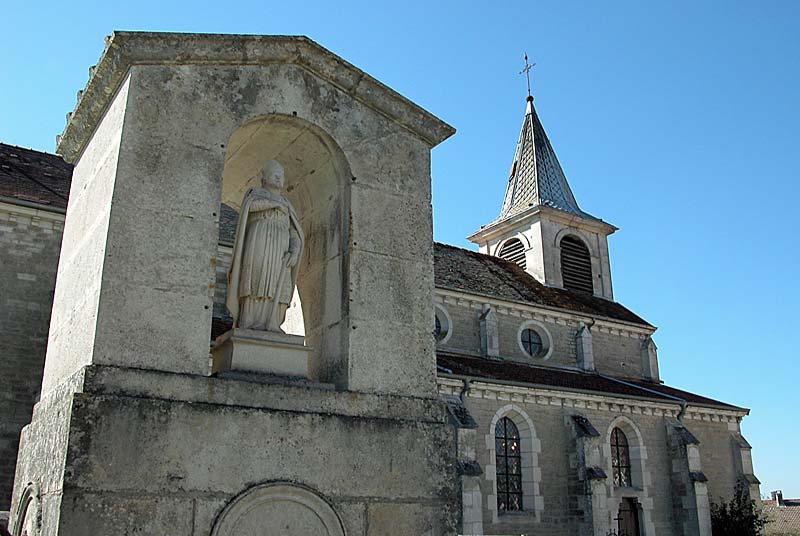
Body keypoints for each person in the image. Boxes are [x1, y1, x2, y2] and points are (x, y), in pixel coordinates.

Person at [226, 160, 304, 332]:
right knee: (256, 278)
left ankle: (273, 321)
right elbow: (250, 207)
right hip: (259, 243)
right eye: (275, 174)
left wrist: (294, 251)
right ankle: (248, 319)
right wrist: (274, 204)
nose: (279, 178)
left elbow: (295, 232)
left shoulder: (287, 204)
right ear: (264, 178)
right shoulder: (255, 194)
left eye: (281, 175)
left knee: (277, 283)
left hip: (281, 249)